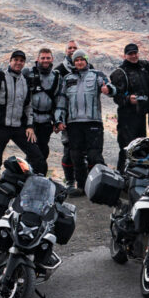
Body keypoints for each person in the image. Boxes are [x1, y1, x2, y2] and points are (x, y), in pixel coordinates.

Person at [0, 50, 47, 197]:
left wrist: (30, 126)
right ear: (10, 61)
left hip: (18, 128)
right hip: (0, 127)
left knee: (38, 158)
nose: (18, 63)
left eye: (21, 60)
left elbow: (28, 106)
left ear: (24, 63)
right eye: (15, 60)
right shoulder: (0, 76)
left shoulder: (25, 81)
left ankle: (35, 194)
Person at [54, 50, 116, 196]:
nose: (79, 62)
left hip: (93, 122)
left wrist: (108, 89)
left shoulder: (96, 75)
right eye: (76, 60)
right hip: (74, 124)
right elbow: (62, 101)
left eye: (82, 59)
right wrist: (59, 120)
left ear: (86, 61)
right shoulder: (67, 79)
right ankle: (82, 187)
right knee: (76, 157)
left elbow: (111, 88)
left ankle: (101, 187)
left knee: (95, 156)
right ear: (73, 62)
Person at [52, 39, 89, 191]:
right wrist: (57, 119)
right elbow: (55, 96)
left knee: (86, 152)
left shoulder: (88, 68)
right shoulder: (59, 70)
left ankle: (85, 183)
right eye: (70, 48)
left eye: (75, 48)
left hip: (86, 118)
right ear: (65, 51)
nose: (72, 50)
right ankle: (69, 181)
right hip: (67, 117)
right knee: (69, 150)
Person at [110, 43, 149, 171]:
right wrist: (127, 99)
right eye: (130, 54)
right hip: (126, 118)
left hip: (141, 116)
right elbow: (115, 96)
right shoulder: (119, 73)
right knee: (126, 149)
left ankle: (141, 177)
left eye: (135, 53)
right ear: (125, 55)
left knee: (142, 148)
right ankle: (122, 177)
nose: (133, 56)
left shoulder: (143, 67)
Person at [23, 48, 61, 166]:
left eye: (48, 58)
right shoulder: (27, 73)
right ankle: (28, 172)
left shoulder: (57, 77)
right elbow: (12, 76)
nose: (45, 60)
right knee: (32, 149)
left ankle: (39, 173)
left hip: (46, 121)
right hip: (31, 119)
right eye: (43, 58)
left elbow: (59, 100)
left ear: (52, 59)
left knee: (43, 149)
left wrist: (57, 120)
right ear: (37, 59)